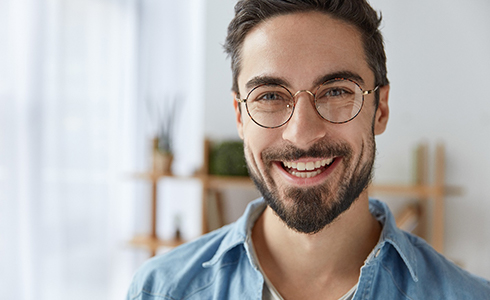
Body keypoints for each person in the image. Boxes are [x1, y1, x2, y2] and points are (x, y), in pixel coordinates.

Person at [127, 0, 490, 299]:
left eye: (336, 92)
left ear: (380, 108)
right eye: (269, 96)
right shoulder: (161, 290)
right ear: (240, 117)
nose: (301, 135)